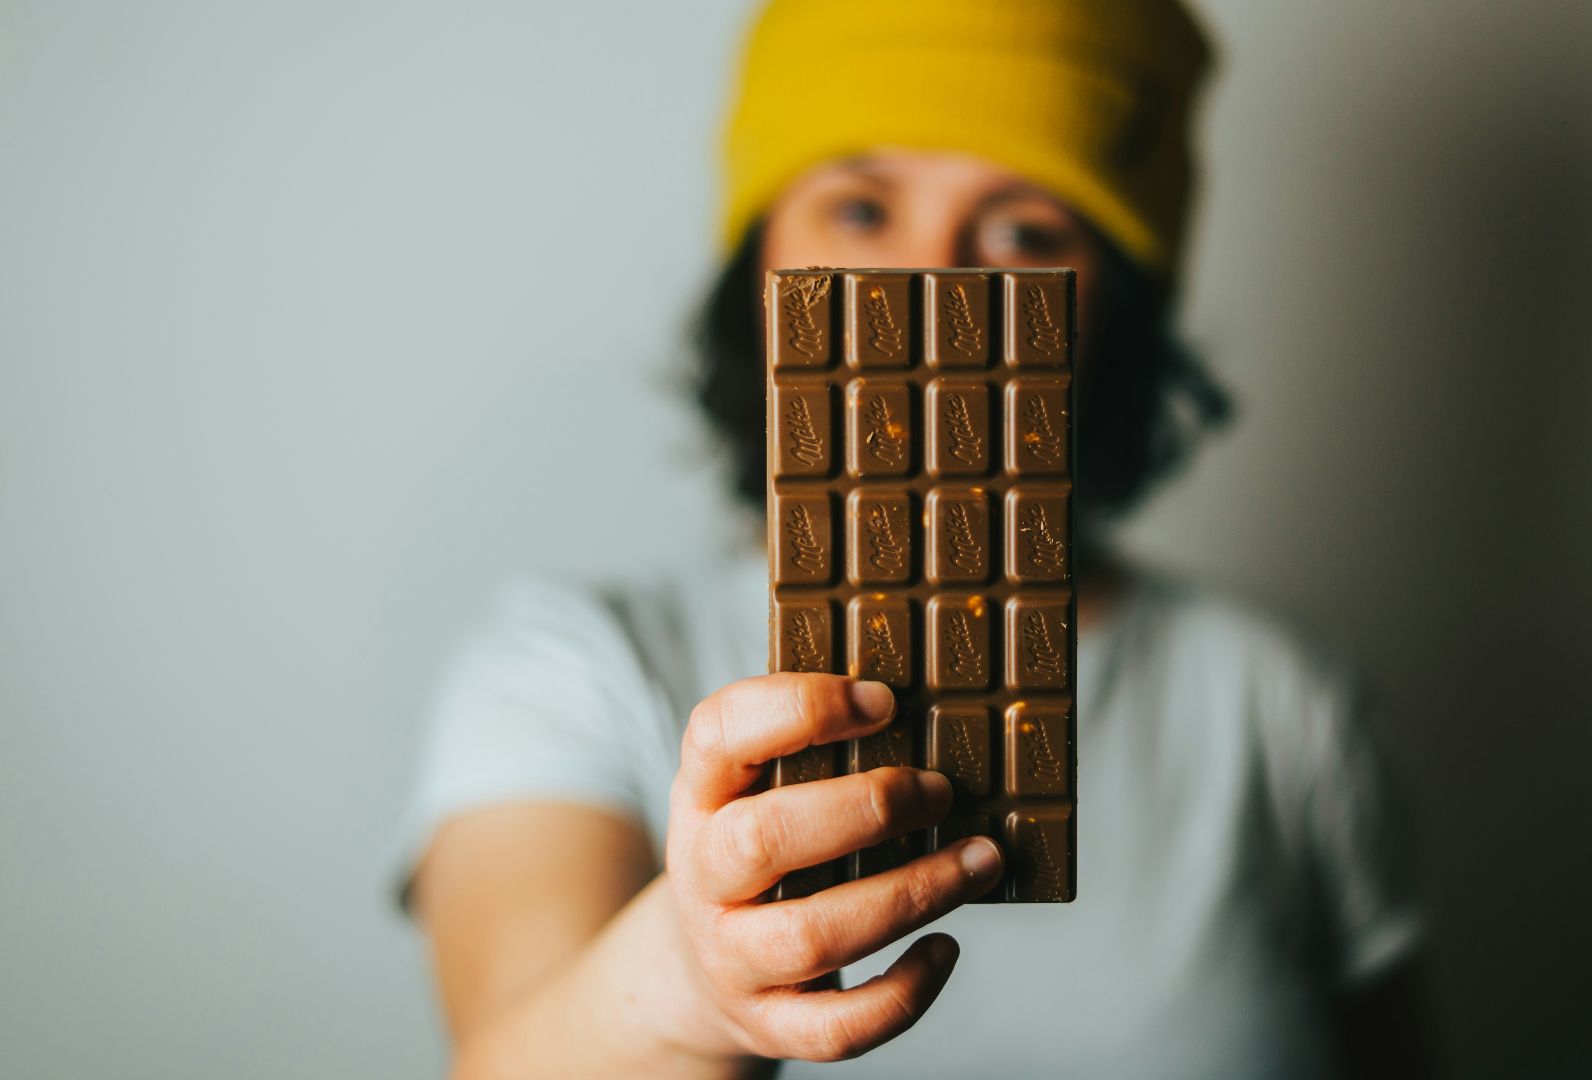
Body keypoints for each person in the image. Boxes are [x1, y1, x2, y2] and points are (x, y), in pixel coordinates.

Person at [393, 1, 1432, 1076]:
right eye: (858, 208)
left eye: (1024, 230)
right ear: (758, 273)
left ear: (1115, 314)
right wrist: (685, 992)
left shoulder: (1282, 706)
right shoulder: (574, 670)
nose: (930, 280)